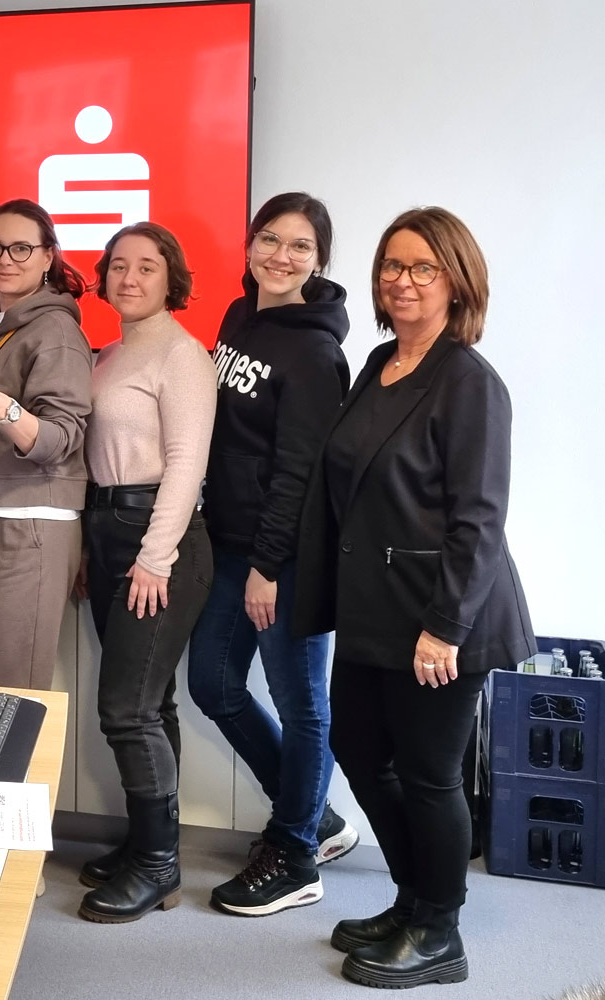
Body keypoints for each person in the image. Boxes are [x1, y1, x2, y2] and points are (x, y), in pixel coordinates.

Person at [295, 207, 534, 989]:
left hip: (442, 617)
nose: (402, 281)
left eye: (422, 267)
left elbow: (480, 520)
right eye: (391, 266)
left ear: (457, 283)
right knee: (360, 750)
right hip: (374, 608)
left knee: (430, 774)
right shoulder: (381, 362)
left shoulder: (470, 383)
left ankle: (439, 930)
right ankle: (413, 898)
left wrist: (445, 627)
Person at [189, 192, 363, 918]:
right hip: (231, 543)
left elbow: (299, 473)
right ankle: (312, 815)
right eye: (269, 239)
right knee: (212, 684)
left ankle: (294, 855)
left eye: (299, 247)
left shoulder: (317, 354)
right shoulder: (240, 316)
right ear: (249, 244)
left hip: (284, 558)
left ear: (318, 260)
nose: (280, 256)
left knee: (302, 706)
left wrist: (267, 566)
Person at [74, 223, 216, 924]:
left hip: (158, 541)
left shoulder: (182, 354)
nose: (129, 278)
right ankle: (149, 846)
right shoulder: (108, 354)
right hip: (107, 530)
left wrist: (155, 558)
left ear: (171, 279)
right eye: (119, 266)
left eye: (147, 267)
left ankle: (159, 866)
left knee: (126, 710)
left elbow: (187, 464)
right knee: (151, 705)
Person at [0, 199, 93, 690]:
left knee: (8, 696)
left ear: (48, 256)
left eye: (22, 248)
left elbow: (63, 438)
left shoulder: (57, 332)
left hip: (30, 527)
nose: (5, 259)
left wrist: (5, 410)